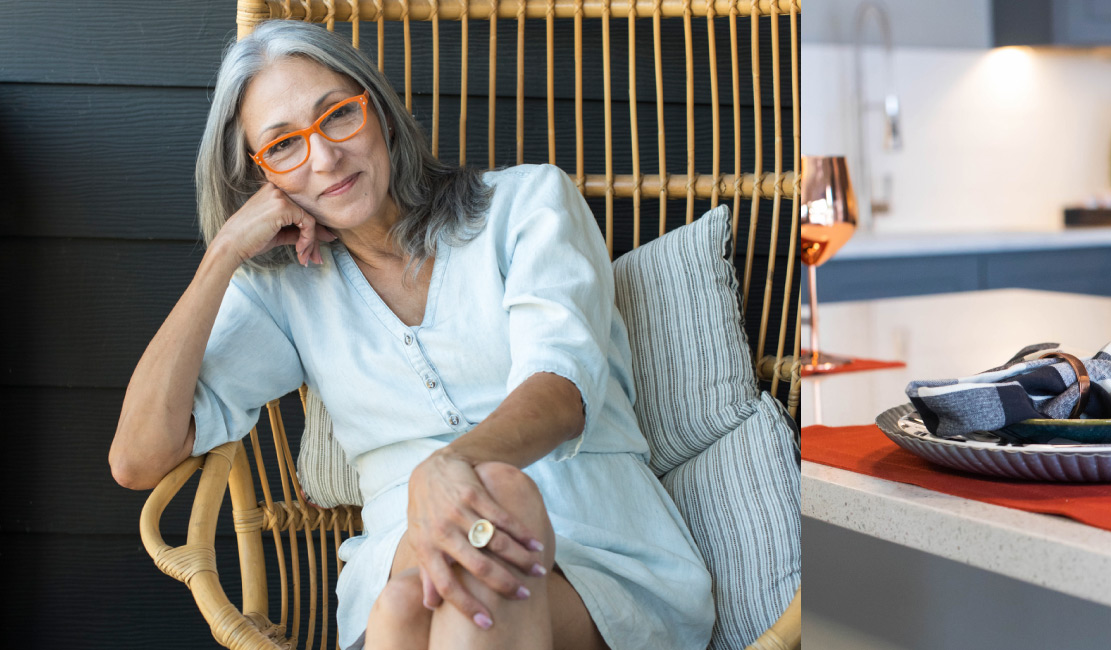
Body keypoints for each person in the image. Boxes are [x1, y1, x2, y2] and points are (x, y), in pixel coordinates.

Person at [107, 19, 713, 650]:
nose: (324, 156)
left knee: (478, 536)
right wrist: (225, 250)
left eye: (338, 115)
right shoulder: (283, 293)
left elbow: (559, 394)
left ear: (381, 114)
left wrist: (450, 466)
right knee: (408, 604)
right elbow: (137, 458)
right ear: (261, 177)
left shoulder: (528, 204)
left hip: (599, 560)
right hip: (402, 572)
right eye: (284, 146)